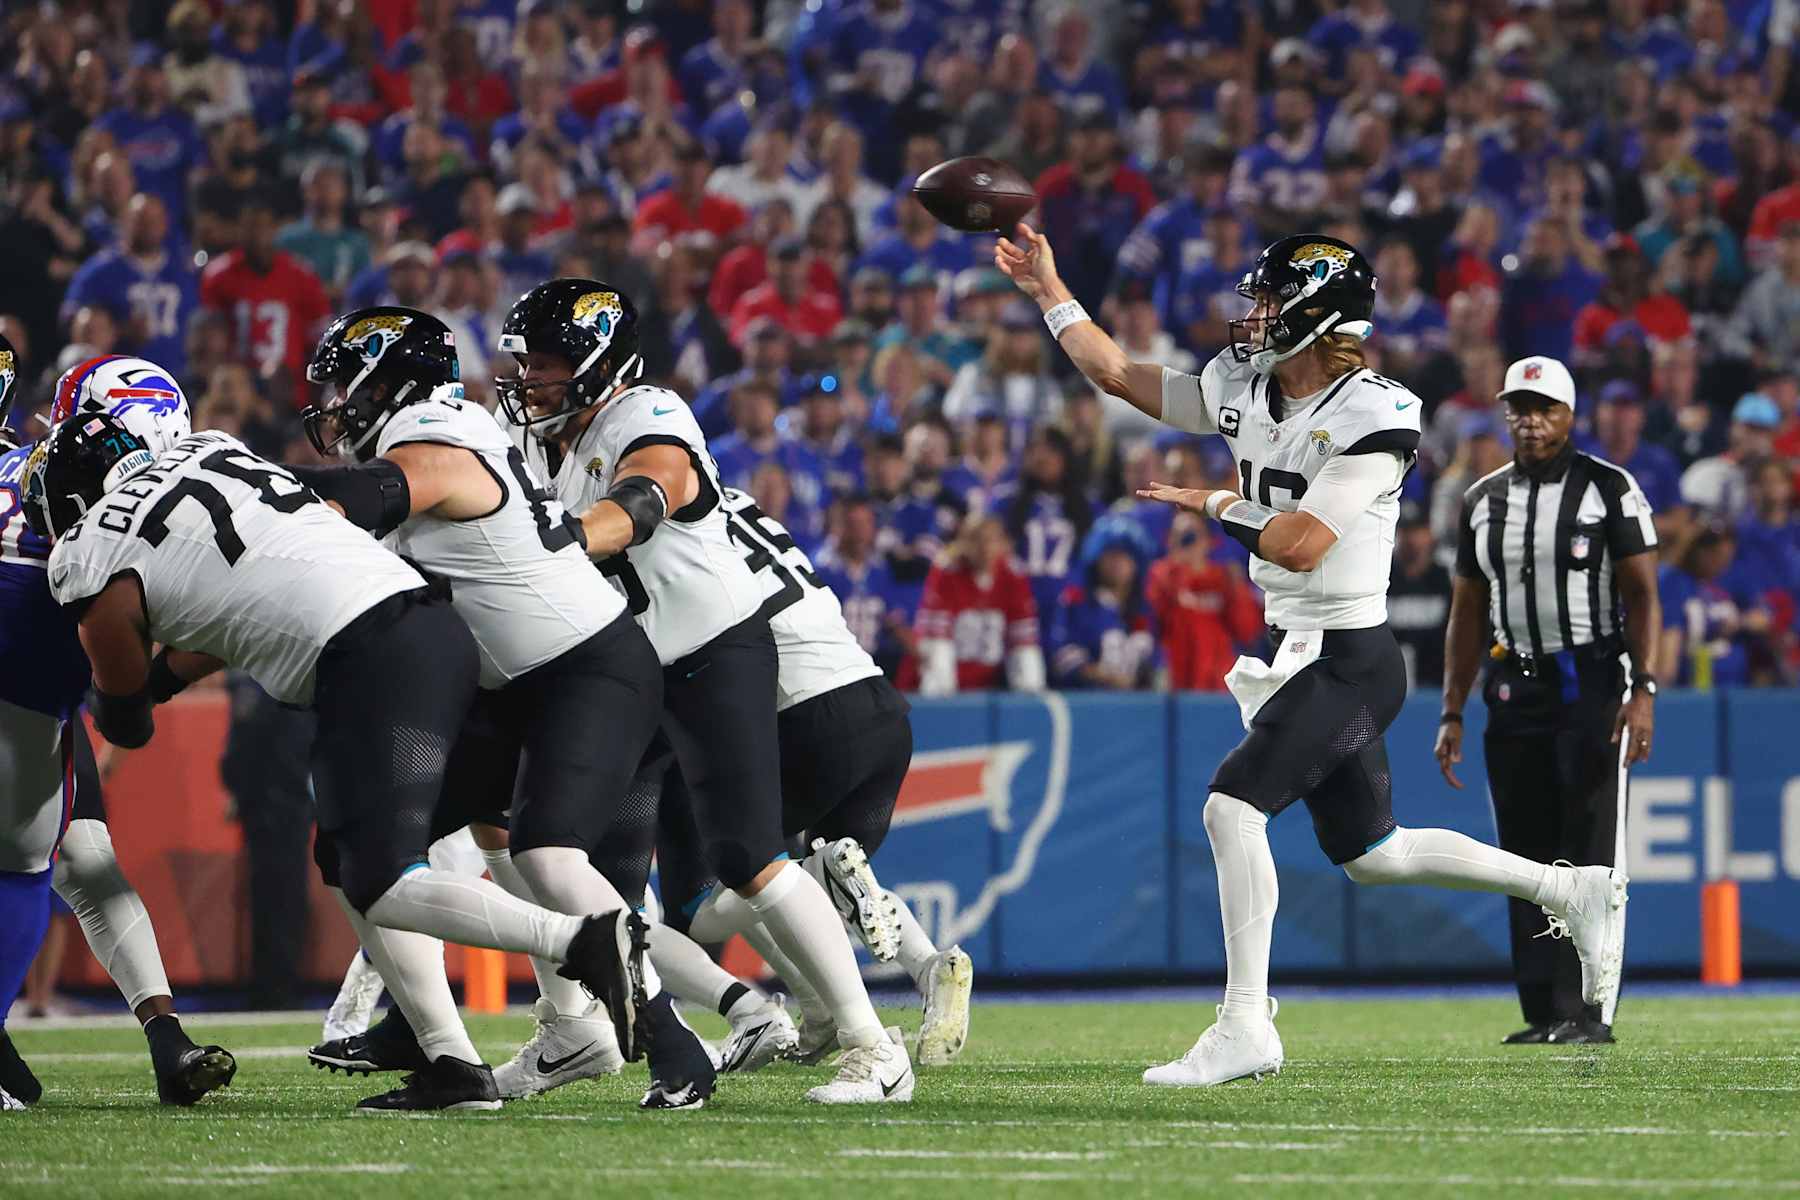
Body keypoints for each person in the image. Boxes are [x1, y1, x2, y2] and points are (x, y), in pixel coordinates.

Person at [996, 222, 1627, 1085]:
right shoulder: (1245, 387)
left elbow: (1300, 543)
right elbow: (1116, 372)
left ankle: (1245, 1023)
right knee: (1378, 856)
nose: (1251, 317)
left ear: (1314, 312)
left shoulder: (1378, 409)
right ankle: (1572, 891)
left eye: (1267, 300)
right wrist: (1048, 292)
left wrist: (1213, 500)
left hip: (1352, 656)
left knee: (1232, 808)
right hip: (1296, 649)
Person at [24, 412, 645, 1116]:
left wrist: (133, 681)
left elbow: (125, 711)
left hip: (366, 657)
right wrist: (164, 665)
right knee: (347, 862)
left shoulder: (89, 548)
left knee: (381, 878)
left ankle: (582, 938)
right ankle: (451, 1063)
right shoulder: (214, 452)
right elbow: (239, 605)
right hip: (427, 625)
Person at [496, 278, 915, 1104]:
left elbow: (651, 493)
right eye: (528, 363)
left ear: (597, 364)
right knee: (551, 848)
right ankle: (580, 1028)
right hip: (630, 671)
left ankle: (873, 1042)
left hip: (713, 652)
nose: (530, 380)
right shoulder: (550, 442)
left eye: (548, 363)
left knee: (748, 858)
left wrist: (570, 539)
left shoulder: (644, 412)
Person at [293, 306, 715, 1111]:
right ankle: (452, 1061)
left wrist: (256, 496)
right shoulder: (443, 428)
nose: (336, 403)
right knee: (353, 850)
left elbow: (379, 492)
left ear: (392, 381)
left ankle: (671, 1039)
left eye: (348, 384)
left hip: (587, 667)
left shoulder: (438, 440)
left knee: (550, 852)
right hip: (511, 685)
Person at [650, 486, 975, 1068]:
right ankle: (927, 967)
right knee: (812, 879)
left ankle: (814, 1001)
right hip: (877, 705)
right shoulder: (732, 503)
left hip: (799, 714)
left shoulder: (654, 527)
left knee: (723, 889)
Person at [0, 351, 236, 1109]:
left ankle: (165, 1038)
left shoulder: (27, 464)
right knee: (34, 864)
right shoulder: (147, 507)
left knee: (84, 855)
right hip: (28, 688)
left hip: (38, 694)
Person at [1436, 354, 1661, 1045]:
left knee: (1589, 852)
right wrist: (1452, 708)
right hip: (1512, 686)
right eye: (1520, 410)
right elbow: (1467, 609)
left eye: (1545, 410)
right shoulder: (1483, 499)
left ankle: (1590, 1009)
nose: (1531, 423)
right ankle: (1543, 1008)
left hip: (1588, 680)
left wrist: (1644, 688)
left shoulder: (1609, 489)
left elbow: (1644, 594)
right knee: (1525, 856)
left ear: (1570, 416)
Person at [915, 512, 1045, 696]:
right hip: (951, 682)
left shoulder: (1014, 577)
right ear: (964, 544)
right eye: (978, 540)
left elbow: (1023, 642)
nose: (985, 548)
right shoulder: (947, 575)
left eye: (993, 540)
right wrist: (942, 696)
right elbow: (936, 642)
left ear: (1003, 544)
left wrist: (1030, 692)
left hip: (994, 683)